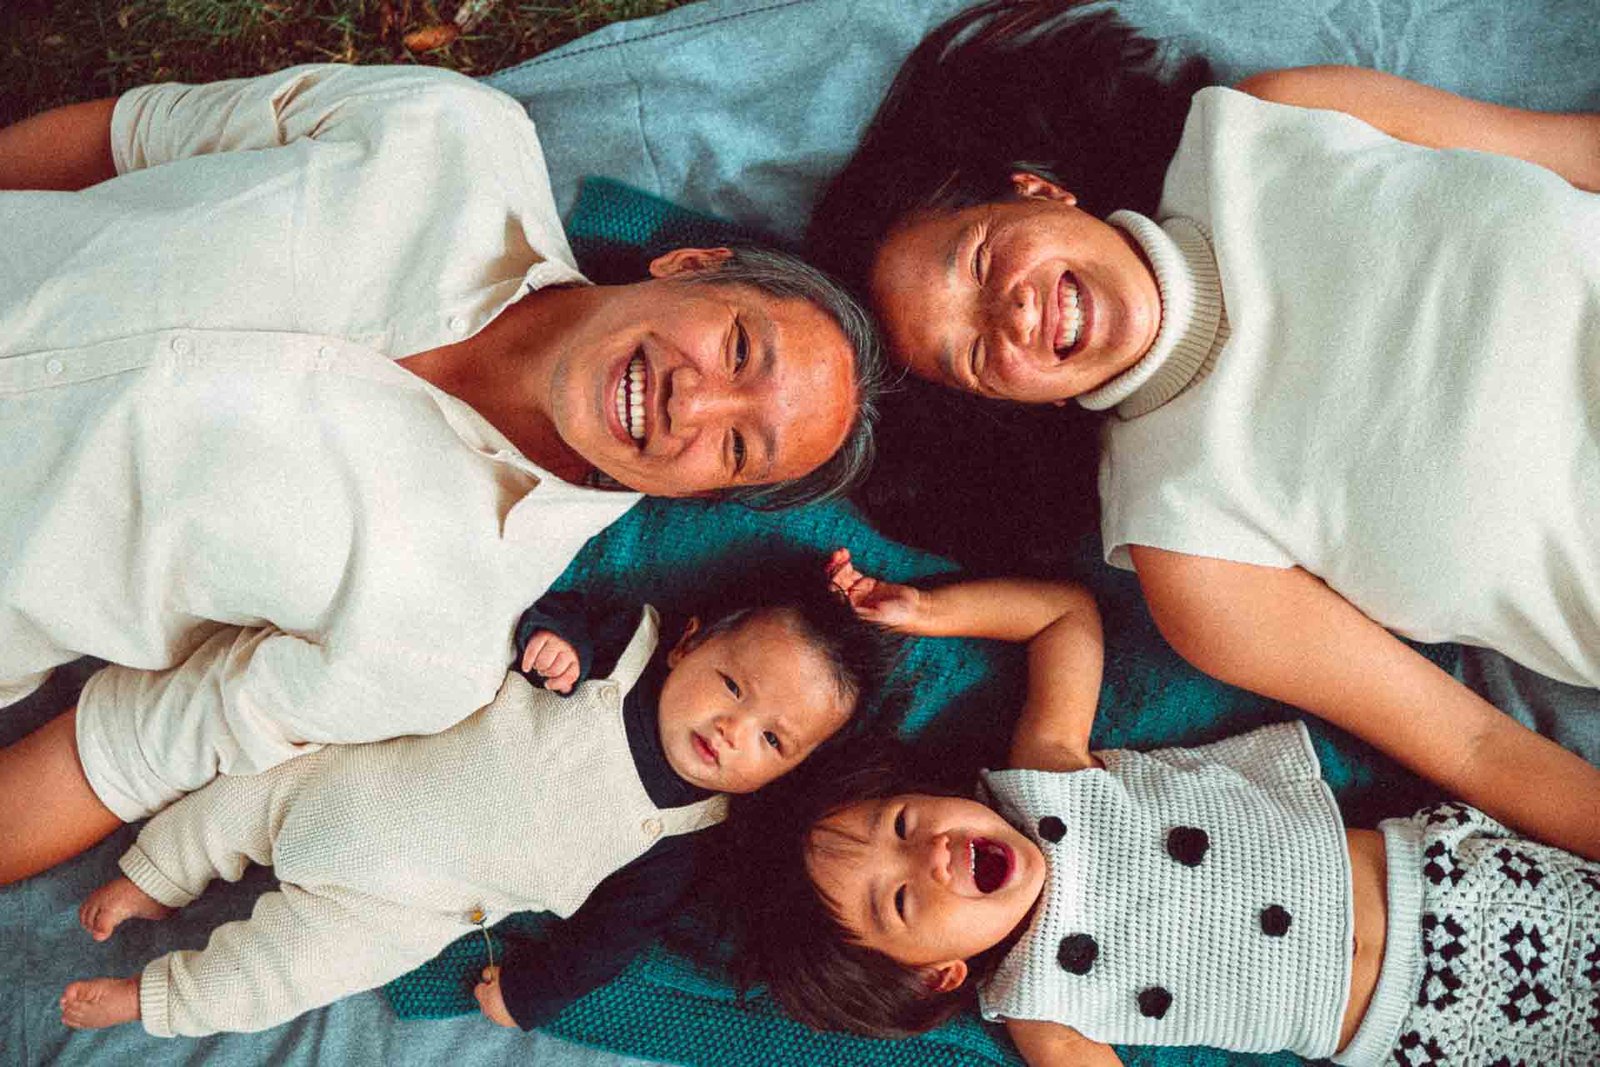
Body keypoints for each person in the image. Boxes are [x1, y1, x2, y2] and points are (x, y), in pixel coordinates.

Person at [0, 63, 882, 884]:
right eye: (736, 348)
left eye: (734, 449)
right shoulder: (456, 135)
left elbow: (113, 757)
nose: (692, 405)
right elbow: (135, 137)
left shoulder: (440, 641)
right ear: (690, 266)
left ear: (702, 498)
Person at [805, 0, 1600, 858]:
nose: (1014, 310)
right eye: (973, 352)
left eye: (985, 259)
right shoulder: (1192, 556)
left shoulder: (1276, 119)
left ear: (1039, 190)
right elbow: (1476, 747)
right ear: (1009, 405)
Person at [743, 562, 1600, 1066]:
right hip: (1426, 1033)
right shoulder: (1040, 1006)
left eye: (899, 821)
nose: (926, 853)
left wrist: (934, 611)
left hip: (1469, 893)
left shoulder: (1045, 779)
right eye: (900, 901)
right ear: (938, 975)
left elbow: (1062, 617)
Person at [51, 559, 900, 1037]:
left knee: (283, 974)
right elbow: (548, 605)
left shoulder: (681, 836)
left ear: (786, 772)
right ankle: (151, 878)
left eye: (772, 740)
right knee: (228, 802)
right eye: (732, 684)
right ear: (688, 644)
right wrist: (557, 636)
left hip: (407, 911)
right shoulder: (624, 649)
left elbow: (611, 939)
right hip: (351, 775)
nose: (733, 727)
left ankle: (157, 1000)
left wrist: (531, 993)